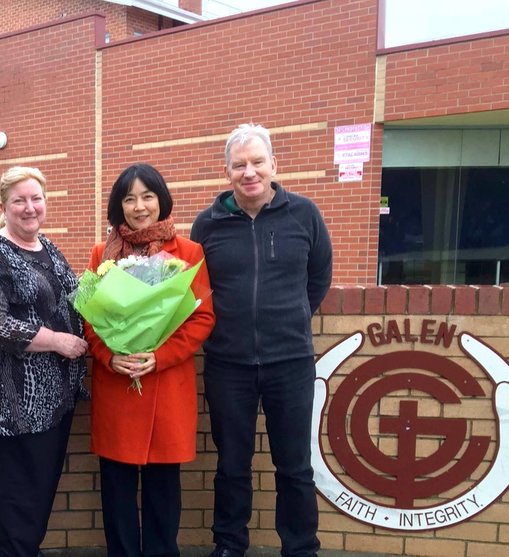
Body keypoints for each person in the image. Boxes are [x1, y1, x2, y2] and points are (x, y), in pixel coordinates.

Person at [190, 124, 332, 557]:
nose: (249, 172)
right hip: (227, 364)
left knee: (295, 467)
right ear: (227, 171)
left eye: (257, 162)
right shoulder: (208, 224)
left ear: (274, 165)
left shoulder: (304, 214)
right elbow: (195, 290)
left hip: (289, 362)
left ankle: (301, 548)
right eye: (239, 165)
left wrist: (289, 318)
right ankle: (230, 545)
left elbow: (319, 277)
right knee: (232, 465)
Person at [86, 163, 215, 557]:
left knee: (163, 489)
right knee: (117, 489)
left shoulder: (190, 253)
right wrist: (110, 356)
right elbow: (88, 317)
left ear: (161, 200)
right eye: (129, 198)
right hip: (118, 388)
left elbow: (203, 316)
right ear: (118, 205)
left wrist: (158, 356)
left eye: (147, 196)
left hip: (165, 385)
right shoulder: (100, 255)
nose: (139, 206)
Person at [0, 166, 89, 557]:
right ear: (3, 206)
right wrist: (56, 341)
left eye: (36, 198)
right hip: (15, 404)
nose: (29, 207)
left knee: (39, 496)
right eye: (19, 200)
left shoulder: (49, 248)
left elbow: (78, 297)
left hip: (56, 402)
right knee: (19, 500)